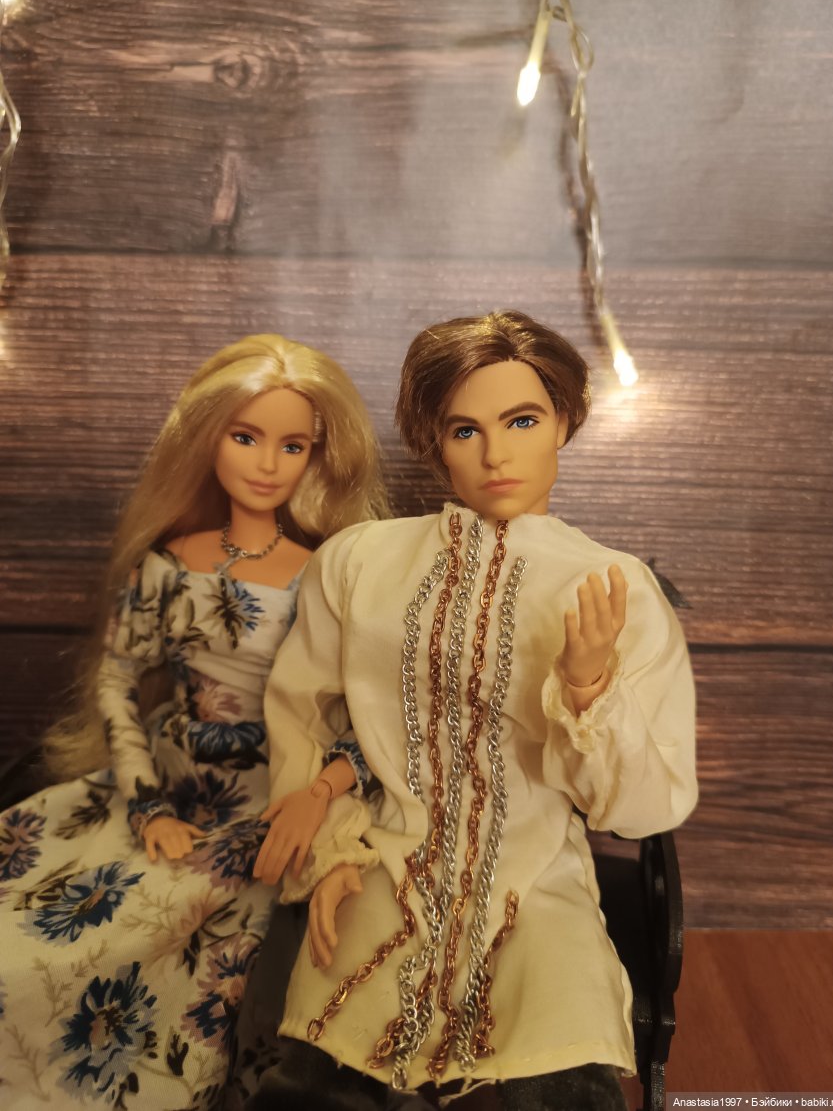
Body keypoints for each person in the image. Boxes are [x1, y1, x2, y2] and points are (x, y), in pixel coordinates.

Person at [252, 310, 698, 1110]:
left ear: (563, 421)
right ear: (436, 442)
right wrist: (330, 851)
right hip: (385, 865)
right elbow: (298, 714)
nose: (496, 454)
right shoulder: (360, 563)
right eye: (466, 430)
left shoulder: (612, 585)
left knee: (565, 1082)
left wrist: (589, 689)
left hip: (538, 877)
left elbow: (641, 808)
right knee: (316, 1081)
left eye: (522, 421)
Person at [0, 334, 388, 1110]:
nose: (267, 463)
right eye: (246, 437)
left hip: (264, 807)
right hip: (161, 793)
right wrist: (146, 804)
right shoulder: (168, 563)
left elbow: (374, 719)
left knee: (160, 952)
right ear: (207, 437)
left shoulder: (329, 575)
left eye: (292, 446)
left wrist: (316, 796)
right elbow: (116, 677)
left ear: (317, 456)